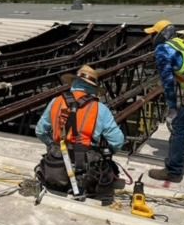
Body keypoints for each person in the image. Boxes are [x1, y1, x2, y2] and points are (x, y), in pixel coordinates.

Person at [35, 64, 125, 203]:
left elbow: (40, 131)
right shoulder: (100, 108)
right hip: (86, 169)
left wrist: (52, 146)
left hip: (56, 163)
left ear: (74, 83)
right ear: (93, 88)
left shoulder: (56, 102)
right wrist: (106, 154)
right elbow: (118, 141)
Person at [144, 20, 184, 183]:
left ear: (160, 35)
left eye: (152, 34)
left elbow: (168, 82)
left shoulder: (162, 49)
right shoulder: (182, 42)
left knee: (179, 127)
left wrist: (172, 109)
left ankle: (173, 171)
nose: (151, 38)